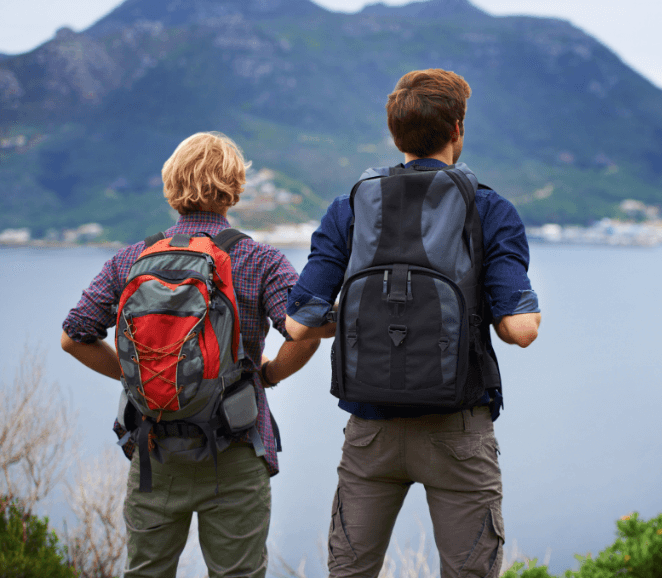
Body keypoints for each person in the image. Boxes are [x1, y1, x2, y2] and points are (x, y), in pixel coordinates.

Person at [286, 69, 542, 578]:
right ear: (458, 129)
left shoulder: (351, 205)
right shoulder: (489, 209)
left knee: (350, 571)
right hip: (458, 427)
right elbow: (521, 330)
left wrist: (360, 317)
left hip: (371, 431)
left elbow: (298, 324)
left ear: (395, 134)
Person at [60, 131, 321, 578]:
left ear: (171, 185)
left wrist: (141, 374)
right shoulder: (259, 259)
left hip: (155, 449)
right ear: (234, 186)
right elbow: (305, 331)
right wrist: (270, 374)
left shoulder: (132, 259)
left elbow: (73, 336)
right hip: (235, 448)